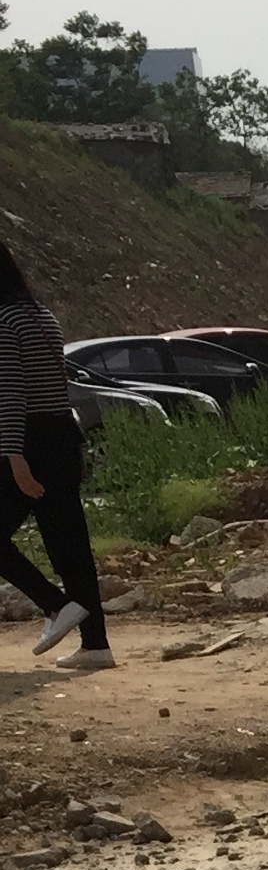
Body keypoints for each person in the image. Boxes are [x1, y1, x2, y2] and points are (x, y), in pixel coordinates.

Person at [0, 243, 112, 673]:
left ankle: (54, 605)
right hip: (62, 437)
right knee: (71, 548)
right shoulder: (41, 315)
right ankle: (96, 645)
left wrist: (13, 455)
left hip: (28, 442)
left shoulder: (4, 322)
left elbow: (11, 393)